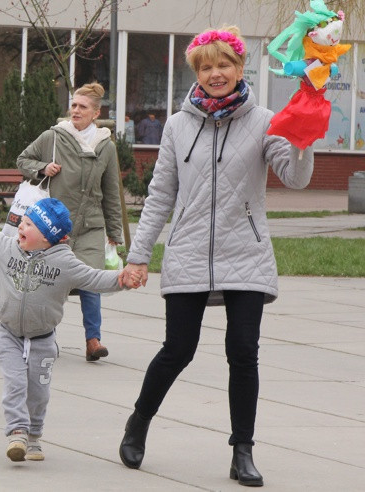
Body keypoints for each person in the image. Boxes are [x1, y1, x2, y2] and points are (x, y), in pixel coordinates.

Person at [117, 26, 314, 487]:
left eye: (224, 64)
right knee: (177, 351)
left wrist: (303, 139)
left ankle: (242, 450)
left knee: (243, 352)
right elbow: (160, 195)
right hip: (188, 252)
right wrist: (138, 256)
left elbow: (295, 177)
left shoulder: (265, 120)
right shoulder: (177, 124)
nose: (216, 73)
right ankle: (139, 420)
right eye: (206, 67)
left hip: (246, 253)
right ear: (197, 73)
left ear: (240, 68)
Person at [0, 198, 140, 462]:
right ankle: (17, 431)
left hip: (43, 339)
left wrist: (121, 280)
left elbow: (93, 278)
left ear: (49, 237)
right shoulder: (7, 247)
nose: (21, 228)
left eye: (29, 225)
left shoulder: (65, 263)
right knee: (15, 383)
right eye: (23, 222)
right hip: (9, 335)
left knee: (38, 392)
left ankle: (34, 436)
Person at [17, 82, 124, 362]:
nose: (75, 110)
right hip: (54, 227)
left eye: (82, 107)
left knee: (91, 280)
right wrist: (42, 168)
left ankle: (93, 340)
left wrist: (115, 234)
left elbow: (112, 192)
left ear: (95, 112)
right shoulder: (53, 137)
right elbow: (22, 160)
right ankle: (43, 337)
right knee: (50, 283)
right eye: (73, 105)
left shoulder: (106, 146)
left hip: (90, 226)